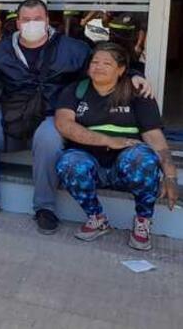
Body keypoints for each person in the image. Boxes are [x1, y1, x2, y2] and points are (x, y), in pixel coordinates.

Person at [0, 0, 152, 234]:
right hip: (13, 112)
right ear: (18, 22)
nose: (32, 24)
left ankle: (45, 207)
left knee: (48, 139)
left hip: (53, 113)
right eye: (26, 19)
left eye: (37, 19)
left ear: (47, 20)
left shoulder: (73, 48)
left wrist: (133, 73)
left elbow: (103, 62)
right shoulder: (0, 51)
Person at [55, 42, 177, 250]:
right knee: (68, 163)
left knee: (144, 158)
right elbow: (64, 124)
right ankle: (97, 218)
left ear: (121, 70)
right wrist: (109, 141)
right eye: (95, 62)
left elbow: (153, 135)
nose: (98, 67)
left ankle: (142, 221)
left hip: (126, 168)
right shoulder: (76, 90)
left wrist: (170, 174)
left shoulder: (136, 93)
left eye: (107, 63)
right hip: (90, 163)